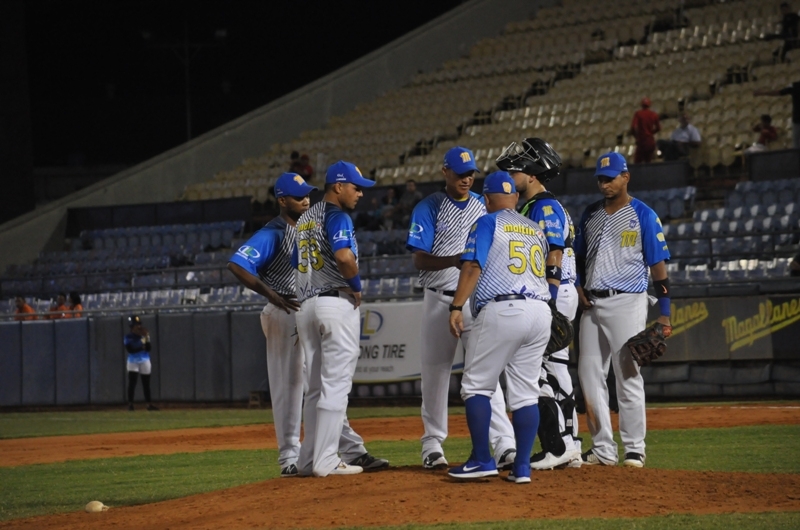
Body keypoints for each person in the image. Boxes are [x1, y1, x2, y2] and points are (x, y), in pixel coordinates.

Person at [228, 173, 388, 478]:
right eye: (298, 196)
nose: (304, 200)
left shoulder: (307, 224)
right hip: (288, 308)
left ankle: (336, 452)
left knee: (319, 386)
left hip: (306, 306)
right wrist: (272, 295)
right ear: (282, 200)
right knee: (294, 387)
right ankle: (292, 454)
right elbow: (237, 263)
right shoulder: (276, 231)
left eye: (306, 195)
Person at [406, 146, 517, 472]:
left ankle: (504, 444)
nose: (467, 178)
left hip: (477, 299)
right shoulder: (429, 207)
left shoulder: (484, 206)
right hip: (439, 296)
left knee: (486, 371)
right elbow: (418, 258)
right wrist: (455, 260)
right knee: (435, 372)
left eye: (470, 173)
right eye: (460, 173)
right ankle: (432, 444)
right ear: (445, 172)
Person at [446, 171, 551, 484]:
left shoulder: (487, 221)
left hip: (504, 307)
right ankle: (522, 467)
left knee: (476, 385)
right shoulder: (535, 228)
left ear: (487, 199)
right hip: (540, 311)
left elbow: (472, 265)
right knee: (524, 393)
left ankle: (481, 459)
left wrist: (456, 305)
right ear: (516, 199)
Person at [574, 152, 671, 468]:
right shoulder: (590, 214)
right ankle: (602, 448)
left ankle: (634, 448)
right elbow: (576, 259)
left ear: (626, 177)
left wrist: (665, 312)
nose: (604, 183)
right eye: (601, 178)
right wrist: (577, 288)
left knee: (627, 374)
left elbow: (658, 267)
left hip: (627, 301)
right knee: (589, 376)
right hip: (591, 303)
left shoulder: (643, 214)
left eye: (610, 177)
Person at [293, 160, 384, 477]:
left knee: (315, 388)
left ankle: (307, 460)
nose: (360, 192)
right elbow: (344, 256)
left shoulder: (305, 218)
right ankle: (327, 460)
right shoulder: (337, 215)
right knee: (334, 386)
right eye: (356, 186)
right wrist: (356, 287)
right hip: (334, 301)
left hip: (306, 304)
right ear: (338, 186)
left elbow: (296, 264)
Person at [496, 137, 582, 470]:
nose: (510, 174)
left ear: (532, 175)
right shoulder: (538, 205)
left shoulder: (543, 206)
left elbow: (555, 252)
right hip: (560, 291)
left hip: (554, 290)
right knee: (557, 368)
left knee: (536, 369)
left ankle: (557, 444)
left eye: (516, 169)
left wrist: (548, 298)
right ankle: (570, 444)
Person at [124, 315, 159, 411]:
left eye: (139, 324)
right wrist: (141, 347)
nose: (138, 326)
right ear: (132, 326)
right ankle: (130, 404)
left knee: (146, 384)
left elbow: (149, 348)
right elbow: (130, 350)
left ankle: (149, 404)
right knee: (132, 383)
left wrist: (147, 338)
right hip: (133, 362)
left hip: (144, 360)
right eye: (136, 325)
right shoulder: (128, 337)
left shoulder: (144, 335)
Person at [754, 85, 800, 150]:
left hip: (796, 120)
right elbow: (779, 92)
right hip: (797, 120)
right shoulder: (795, 86)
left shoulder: (771, 129)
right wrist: (762, 93)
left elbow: (773, 137)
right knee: (796, 145)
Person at [629, 97, 661, 164]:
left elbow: (633, 127)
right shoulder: (654, 114)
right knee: (648, 162)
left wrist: (636, 136)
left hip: (641, 141)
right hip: (650, 140)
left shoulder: (638, 114)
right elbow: (658, 128)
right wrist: (651, 133)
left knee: (637, 163)